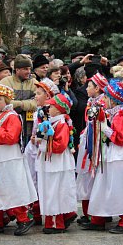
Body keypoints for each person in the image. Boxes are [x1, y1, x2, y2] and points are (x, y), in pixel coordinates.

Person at [0, 83, 38, 235]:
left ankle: (23, 218)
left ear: (6, 100)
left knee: (12, 189)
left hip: (9, 159)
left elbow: (10, 138)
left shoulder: (12, 116)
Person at [80, 79, 123, 234]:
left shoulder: (121, 116)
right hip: (110, 155)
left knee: (119, 188)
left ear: (113, 100)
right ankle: (98, 218)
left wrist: (104, 129)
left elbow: (121, 139)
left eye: (105, 97)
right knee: (102, 186)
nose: (103, 100)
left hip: (120, 156)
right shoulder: (112, 114)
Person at [36, 94, 78, 234]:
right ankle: (60, 217)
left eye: (52, 106)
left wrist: (43, 142)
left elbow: (60, 146)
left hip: (56, 162)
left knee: (54, 191)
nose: (48, 108)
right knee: (52, 190)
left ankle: (55, 222)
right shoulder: (54, 122)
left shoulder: (61, 124)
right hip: (52, 162)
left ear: (59, 110)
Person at [24, 78, 60, 225]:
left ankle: (42, 212)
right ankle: (35, 212)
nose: (35, 96)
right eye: (35, 93)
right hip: (34, 150)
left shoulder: (51, 114)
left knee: (41, 182)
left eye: (38, 93)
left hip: (44, 151)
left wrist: (37, 138)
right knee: (32, 180)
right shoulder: (38, 111)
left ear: (48, 96)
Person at [75, 73, 108, 224]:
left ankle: (97, 214)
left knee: (94, 176)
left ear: (97, 88)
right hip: (89, 140)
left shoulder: (102, 104)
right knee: (87, 175)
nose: (86, 88)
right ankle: (89, 213)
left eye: (89, 86)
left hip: (97, 144)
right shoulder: (91, 102)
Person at [0, 54, 37, 141]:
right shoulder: (5, 82)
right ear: (17, 69)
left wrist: (19, 104)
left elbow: (37, 103)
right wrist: (28, 104)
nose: (28, 71)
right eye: (25, 69)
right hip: (10, 127)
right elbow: (3, 103)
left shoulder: (34, 82)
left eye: (29, 69)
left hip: (29, 128)